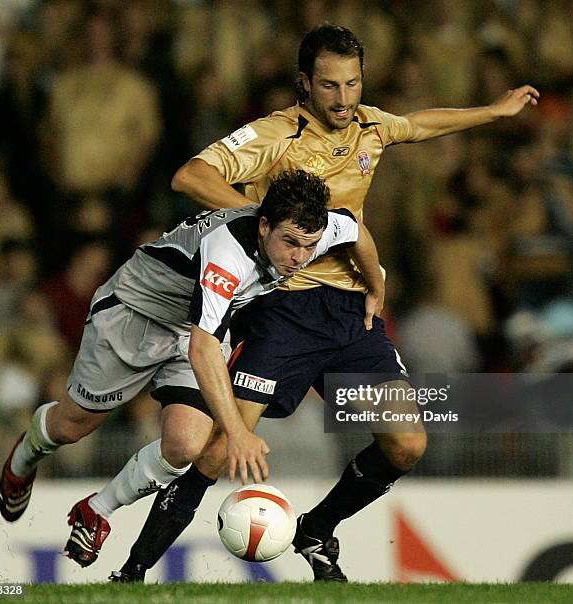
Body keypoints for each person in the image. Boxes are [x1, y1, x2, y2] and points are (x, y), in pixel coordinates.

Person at [85, 23, 539, 583]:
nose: (344, 99)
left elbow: (419, 125)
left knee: (406, 443)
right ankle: (132, 573)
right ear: (304, 83)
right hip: (283, 310)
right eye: (329, 86)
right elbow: (191, 176)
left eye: (352, 84)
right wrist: (259, 222)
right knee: (222, 446)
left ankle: (317, 529)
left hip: (350, 317)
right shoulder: (275, 134)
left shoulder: (371, 124)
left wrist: (493, 113)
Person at [0, 168, 380, 562]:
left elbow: (357, 234)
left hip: (194, 328)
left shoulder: (315, 229)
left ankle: (97, 511)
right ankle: (25, 456)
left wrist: (375, 288)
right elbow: (203, 348)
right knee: (72, 426)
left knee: (186, 444)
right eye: (290, 243)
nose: (299, 257)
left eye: (308, 245)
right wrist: (237, 433)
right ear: (264, 225)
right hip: (135, 314)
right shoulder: (228, 252)